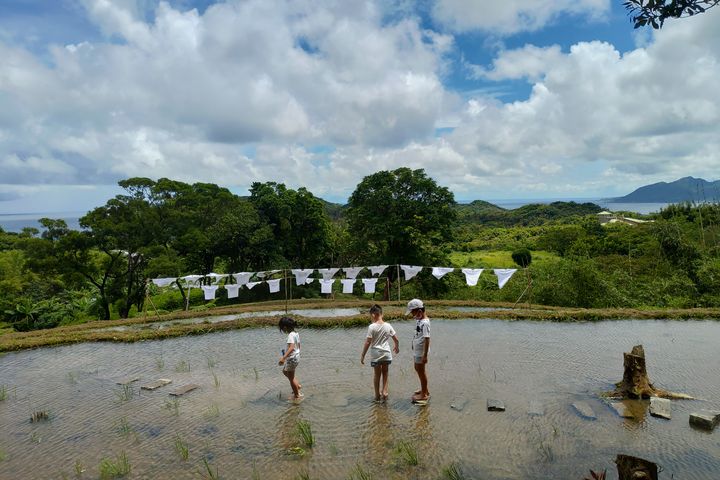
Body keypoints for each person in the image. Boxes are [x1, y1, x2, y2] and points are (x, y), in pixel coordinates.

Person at [361, 304, 399, 402]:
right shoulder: (388, 325)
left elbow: (368, 342)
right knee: (385, 373)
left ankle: (377, 395)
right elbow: (396, 339)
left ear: (373, 315)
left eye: (371, 316)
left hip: (376, 354)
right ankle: (385, 392)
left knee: (377, 375)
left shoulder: (372, 327)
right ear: (381, 313)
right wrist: (396, 347)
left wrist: (363, 355)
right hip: (386, 353)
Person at [407, 298, 430, 402]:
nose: (412, 315)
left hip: (421, 352)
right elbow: (417, 334)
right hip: (417, 350)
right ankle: (424, 389)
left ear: (420, 311)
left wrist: (425, 355)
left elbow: (427, 339)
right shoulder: (419, 320)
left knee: (421, 371)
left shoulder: (425, 323)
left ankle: (424, 394)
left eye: (413, 312)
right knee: (418, 369)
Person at [278, 316, 302, 399]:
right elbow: (298, 346)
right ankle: (297, 386)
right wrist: (297, 353)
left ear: (285, 327)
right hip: (296, 357)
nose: (282, 330)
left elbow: (291, 347)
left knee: (291, 379)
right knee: (285, 371)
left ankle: (297, 396)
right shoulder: (296, 333)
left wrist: (283, 358)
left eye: (282, 329)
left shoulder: (290, 335)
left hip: (292, 358)